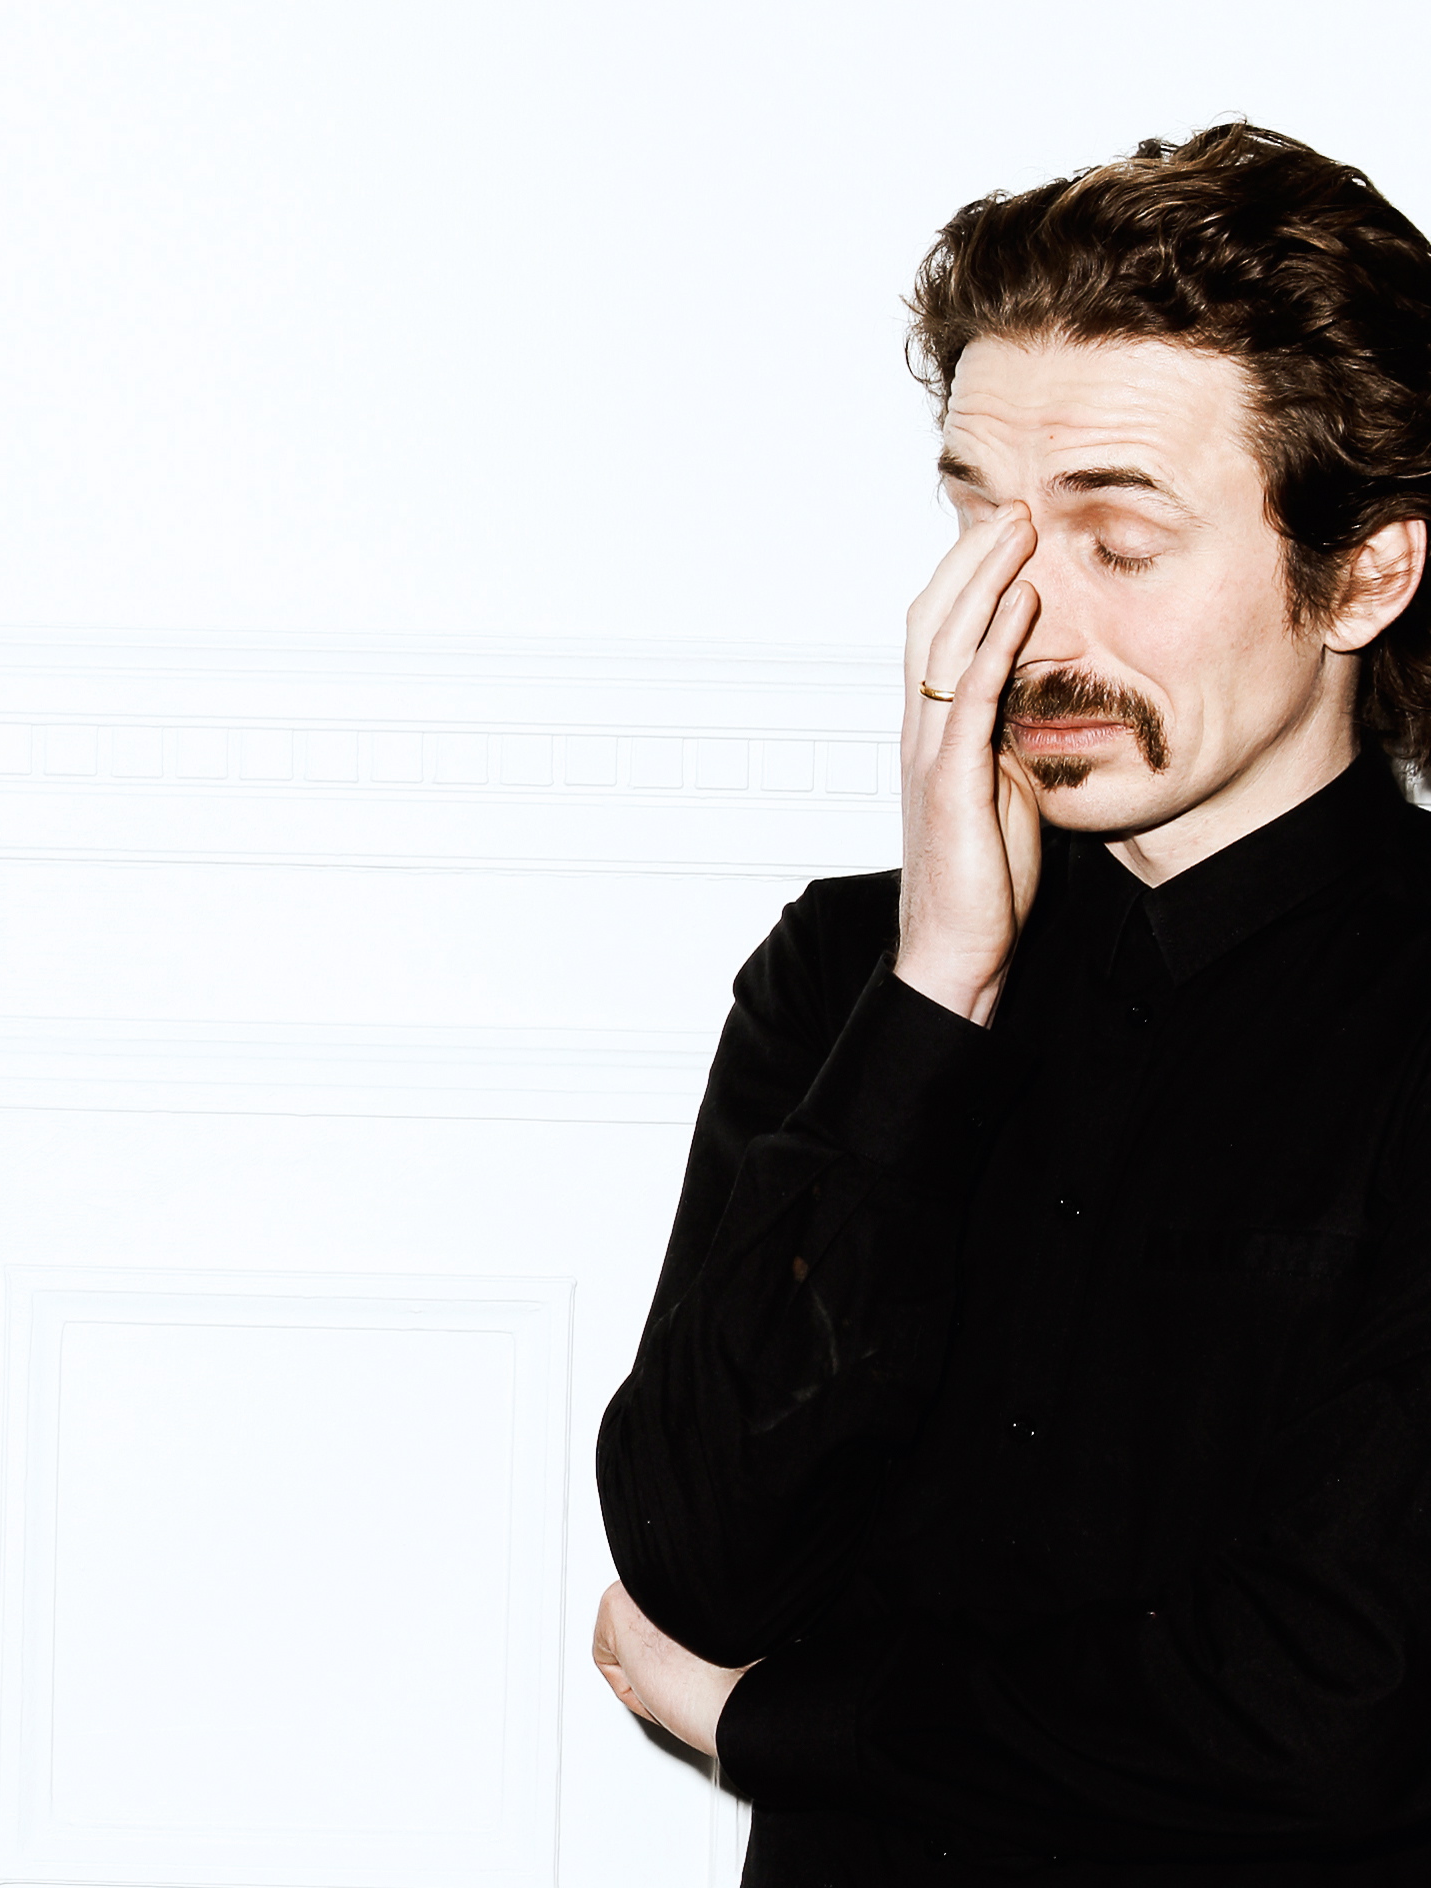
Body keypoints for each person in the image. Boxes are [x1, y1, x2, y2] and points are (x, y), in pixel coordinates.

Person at [591, 121, 1431, 1882]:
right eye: (981, 518)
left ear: (1364, 572)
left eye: (1117, 542)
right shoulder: (850, 972)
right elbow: (694, 1561)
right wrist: (936, 991)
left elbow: (1334, 1715)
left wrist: (777, 1724)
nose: (1013, 620)